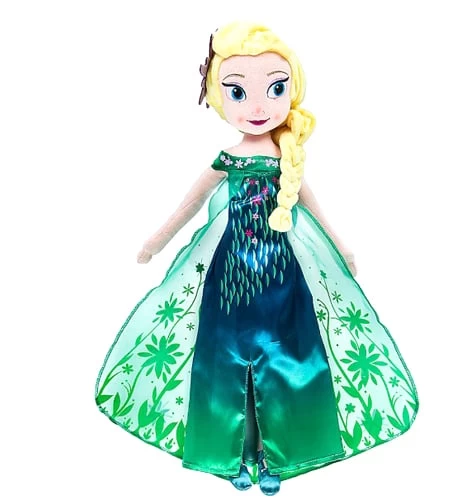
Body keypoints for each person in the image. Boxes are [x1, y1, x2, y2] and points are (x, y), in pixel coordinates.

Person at [96, 21, 418, 496]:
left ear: (292, 91)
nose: (258, 106)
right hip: (229, 278)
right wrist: (156, 241)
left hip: (281, 278)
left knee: (287, 359)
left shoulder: (287, 159)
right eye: (238, 92)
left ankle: (276, 456)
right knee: (223, 362)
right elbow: (188, 205)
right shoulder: (227, 159)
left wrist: (341, 245)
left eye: (275, 88)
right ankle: (231, 455)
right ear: (217, 96)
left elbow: (312, 206)